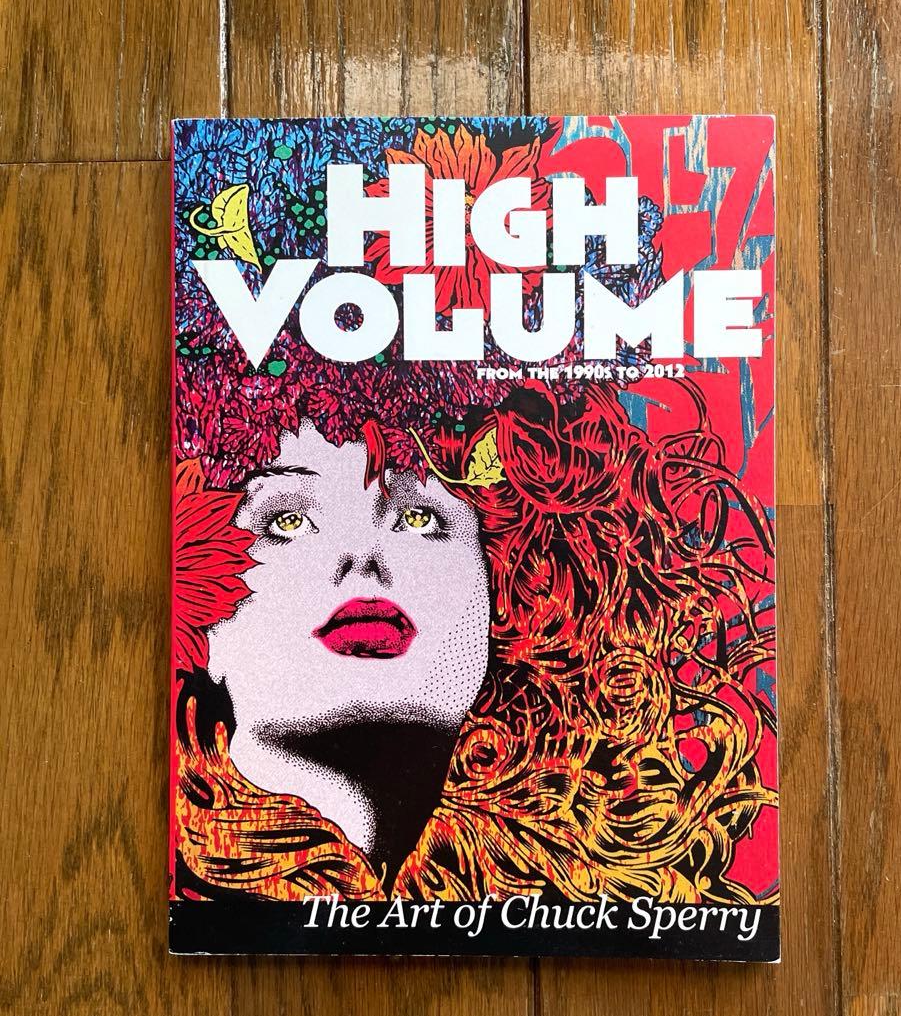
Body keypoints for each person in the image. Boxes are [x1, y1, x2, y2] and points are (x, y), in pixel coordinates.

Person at [172, 380, 777, 905]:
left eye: (418, 518)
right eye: (289, 522)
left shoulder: (590, 893)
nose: (363, 562)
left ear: (507, 584)